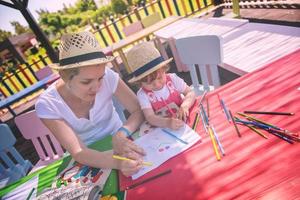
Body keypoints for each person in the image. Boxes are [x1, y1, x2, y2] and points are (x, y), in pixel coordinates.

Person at [35, 31, 145, 177]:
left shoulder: (109, 77)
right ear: (64, 76)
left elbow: (138, 110)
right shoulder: (47, 104)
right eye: (86, 82)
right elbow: (78, 152)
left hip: (122, 141)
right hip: (88, 159)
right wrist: (118, 162)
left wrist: (121, 134)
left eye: (100, 78)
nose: (97, 87)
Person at [127, 42, 196, 130]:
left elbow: (190, 92)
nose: (157, 84)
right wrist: (167, 122)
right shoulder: (143, 94)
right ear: (140, 83)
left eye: (160, 78)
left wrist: (185, 105)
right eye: (149, 83)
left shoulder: (172, 79)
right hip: (163, 128)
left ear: (164, 70)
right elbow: (150, 117)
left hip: (186, 117)